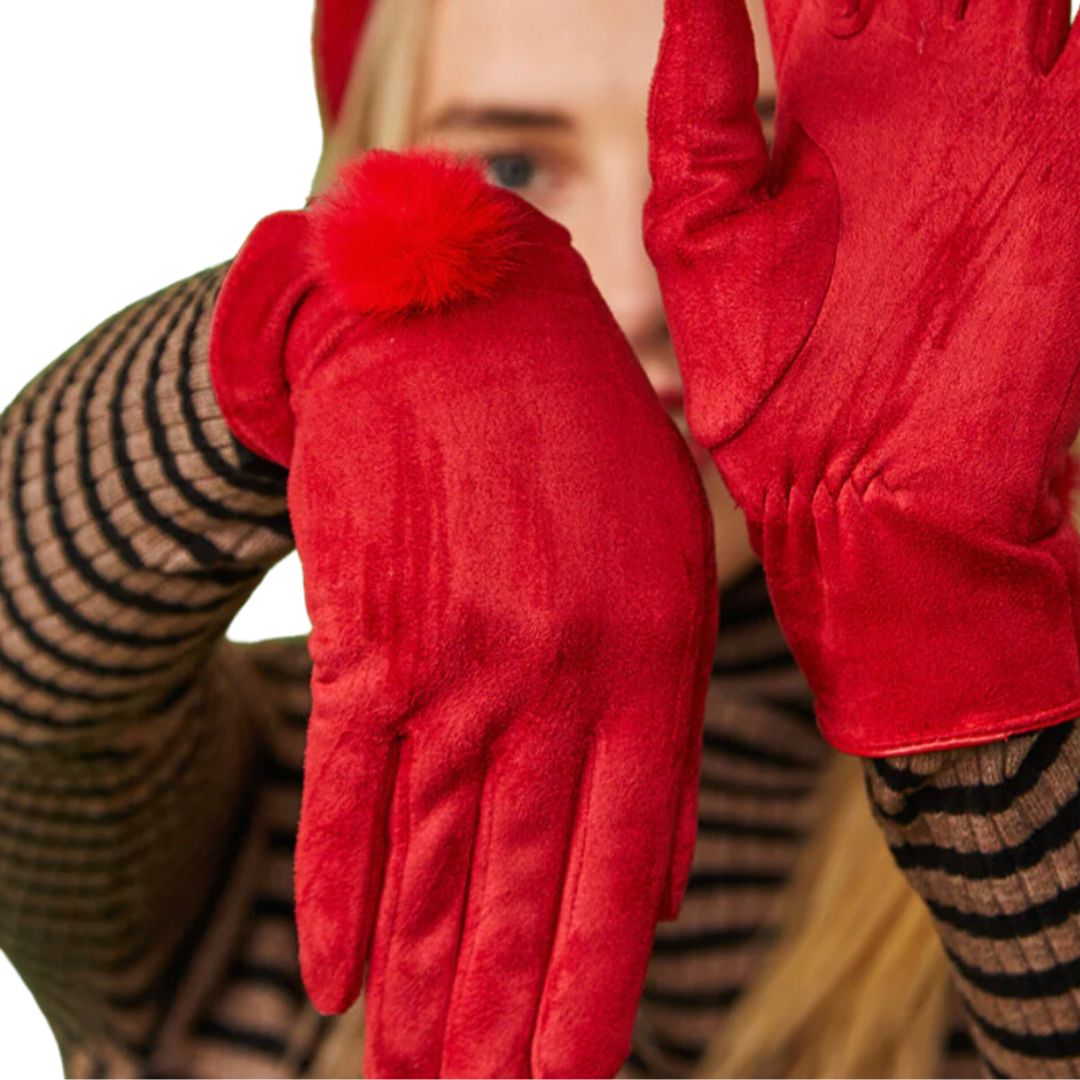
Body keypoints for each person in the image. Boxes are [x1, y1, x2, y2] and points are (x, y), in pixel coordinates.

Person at [1, 1, 1078, 1078]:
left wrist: (964, 661)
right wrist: (296, 331)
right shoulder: (250, 799)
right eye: (509, 167)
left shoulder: (1041, 797)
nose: (636, 284)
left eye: (759, 168)